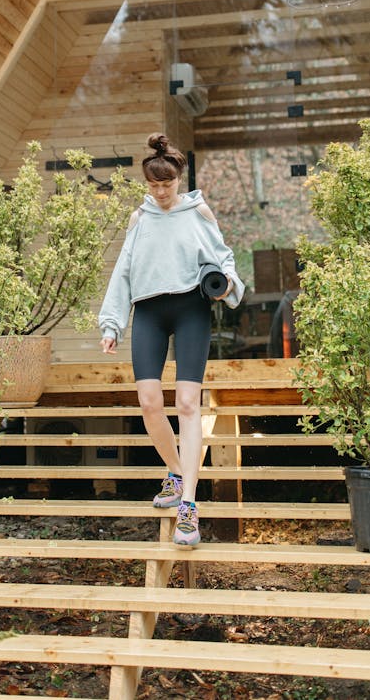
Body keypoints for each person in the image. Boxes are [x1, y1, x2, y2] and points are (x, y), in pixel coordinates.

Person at [98, 133, 244, 546]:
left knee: (186, 404)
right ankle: (177, 472)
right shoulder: (139, 218)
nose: (161, 192)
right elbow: (122, 272)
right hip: (148, 311)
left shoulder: (198, 211)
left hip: (190, 309)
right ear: (146, 184)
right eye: (154, 186)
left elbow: (223, 258)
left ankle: (189, 508)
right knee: (148, 402)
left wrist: (227, 283)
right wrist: (112, 324)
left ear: (178, 179)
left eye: (167, 185)